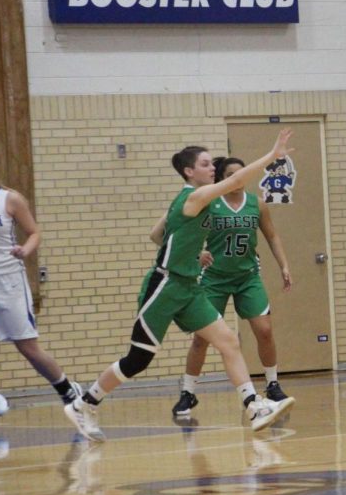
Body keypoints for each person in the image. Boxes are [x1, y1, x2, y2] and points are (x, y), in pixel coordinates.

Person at [63, 130, 295, 442]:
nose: (212, 167)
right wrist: (272, 156)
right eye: (205, 164)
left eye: (212, 164)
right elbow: (236, 182)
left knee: (228, 341)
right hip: (165, 286)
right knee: (138, 359)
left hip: (189, 287)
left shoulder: (198, 200)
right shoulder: (194, 197)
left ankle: (253, 406)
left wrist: (192, 251)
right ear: (189, 171)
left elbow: (158, 234)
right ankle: (83, 403)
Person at [0, 148, 82, 439]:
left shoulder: (10, 199)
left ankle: (67, 390)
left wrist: (25, 250)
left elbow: (34, 232)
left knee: (27, 347)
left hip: (7, 280)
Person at [153, 156, 294, 418]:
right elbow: (170, 235)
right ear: (221, 178)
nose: (237, 180)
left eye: (240, 175)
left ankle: (273, 384)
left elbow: (272, 236)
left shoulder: (257, 205)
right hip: (213, 278)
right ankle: (188, 392)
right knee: (201, 340)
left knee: (264, 330)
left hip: (247, 277)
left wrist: (284, 265)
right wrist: (195, 255)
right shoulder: (207, 202)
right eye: (231, 175)